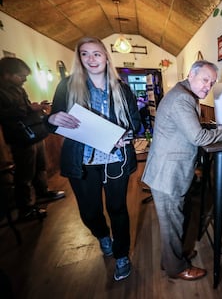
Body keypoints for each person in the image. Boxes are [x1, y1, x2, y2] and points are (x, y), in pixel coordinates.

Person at [47, 37, 141, 281]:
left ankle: (121, 255)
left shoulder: (122, 88)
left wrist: (125, 136)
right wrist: (52, 119)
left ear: (106, 57)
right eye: (85, 54)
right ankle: (102, 235)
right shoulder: (67, 86)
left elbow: (136, 124)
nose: (92, 59)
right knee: (89, 212)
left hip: (114, 160)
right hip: (82, 161)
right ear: (79, 58)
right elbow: (53, 121)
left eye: (97, 54)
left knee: (118, 208)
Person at [142, 60, 222, 280]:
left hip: (166, 171)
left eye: (212, 82)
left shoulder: (181, 93)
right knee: (172, 224)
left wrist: (215, 127)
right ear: (191, 75)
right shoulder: (183, 98)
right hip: (168, 174)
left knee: (173, 221)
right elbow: (197, 137)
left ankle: (172, 257)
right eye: (205, 80)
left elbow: (188, 127)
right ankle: (176, 268)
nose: (208, 86)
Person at [0, 57, 65, 222]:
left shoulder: (19, 89)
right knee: (25, 174)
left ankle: (43, 192)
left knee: (40, 166)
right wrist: (31, 108)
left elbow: (24, 107)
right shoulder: (2, 91)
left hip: (34, 132)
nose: (24, 79)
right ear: (7, 74)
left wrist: (35, 106)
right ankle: (26, 208)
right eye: (20, 75)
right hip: (20, 137)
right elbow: (7, 114)